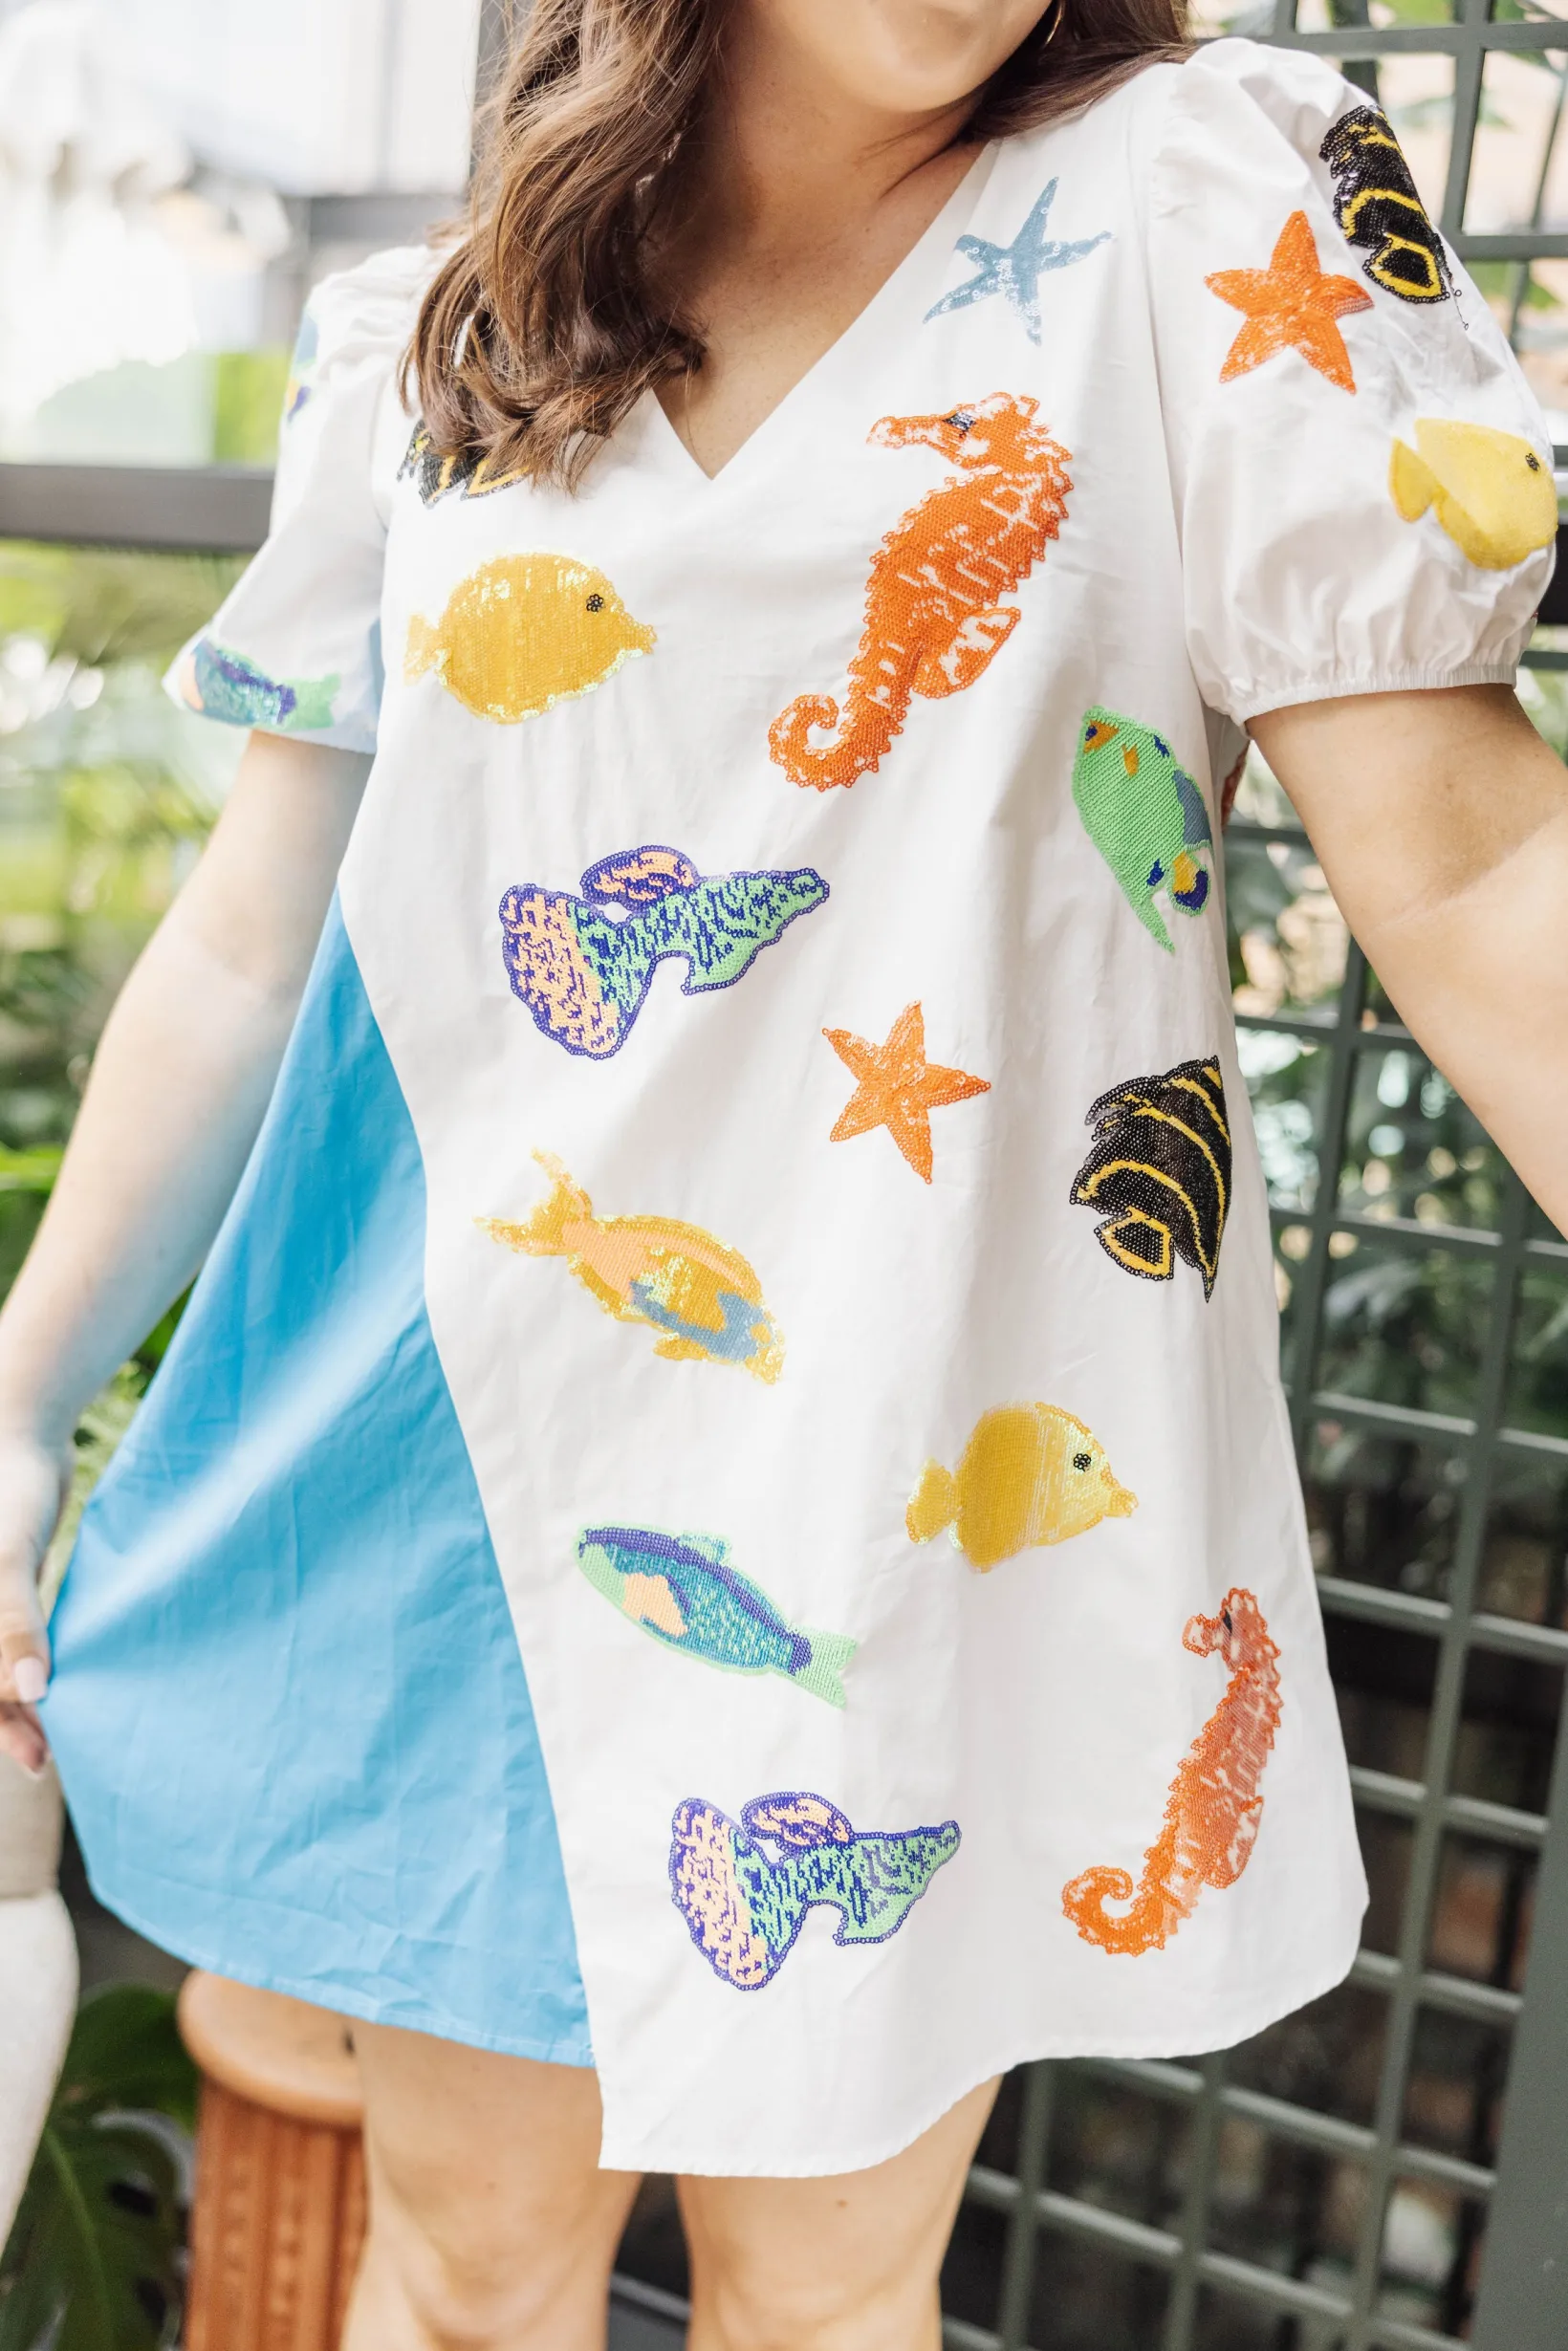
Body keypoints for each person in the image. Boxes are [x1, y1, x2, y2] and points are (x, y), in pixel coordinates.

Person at [0, 0, 1562, 2335]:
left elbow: (1474, 868)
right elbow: (253, 939)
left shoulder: (1197, 199)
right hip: (482, 1454)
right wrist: (18, 1397)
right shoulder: (448, 332)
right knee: (467, 2266)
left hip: (907, 1458)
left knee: (824, 2297)